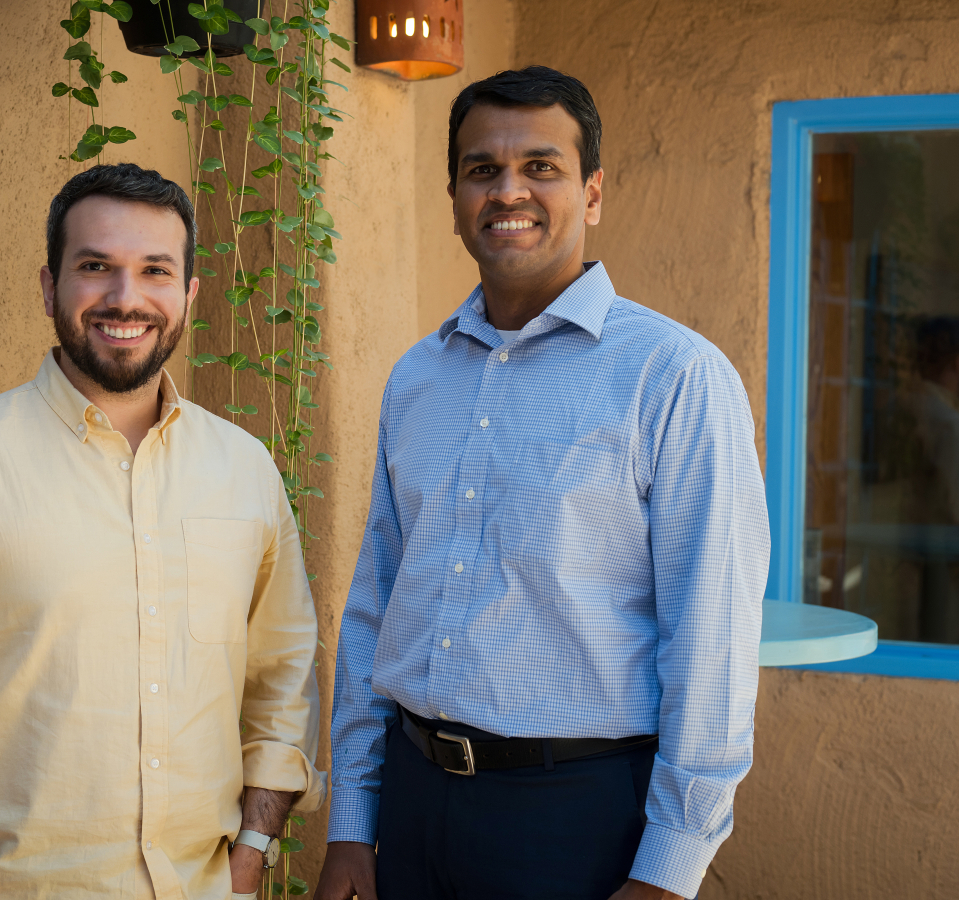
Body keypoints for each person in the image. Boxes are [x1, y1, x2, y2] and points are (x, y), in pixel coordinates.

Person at [316, 67, 769, 900]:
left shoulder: (674, 376)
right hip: (413, 807)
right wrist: (354, 817)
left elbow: (713, 639)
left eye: (541, 166)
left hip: (577, 820)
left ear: (592, 194)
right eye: (482, 169)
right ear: (453, 195)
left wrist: (669, 869)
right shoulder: (418, 377)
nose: (508, 190)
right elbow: (377, 601)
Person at [0, 163, 326, 900]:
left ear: (188, 296)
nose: (126, 298)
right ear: (49, 286)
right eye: (96, 267)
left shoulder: (245, 470)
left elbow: (283, 679)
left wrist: (250, 855)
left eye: (155, 271)